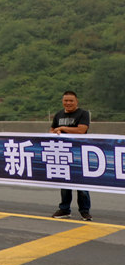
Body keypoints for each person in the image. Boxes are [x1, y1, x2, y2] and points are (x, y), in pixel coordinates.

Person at [51, 90, 92, 220]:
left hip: (79, 153)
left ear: (76, 101)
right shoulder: (58, 114)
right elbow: (52, 130)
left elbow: (81, 130)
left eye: (71, 101)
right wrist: (55, 131)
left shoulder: (83, 113)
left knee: (82, 185)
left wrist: (62, 128)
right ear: (63, 101)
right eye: (65, 101)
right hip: (63, 152)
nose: (68, 103)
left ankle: (84, 211)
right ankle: (64, 209)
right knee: (65, 183)